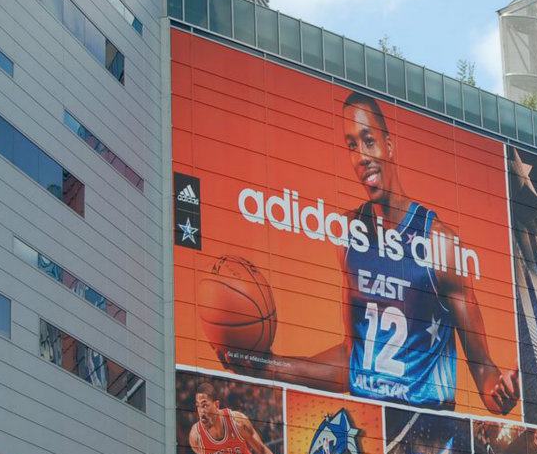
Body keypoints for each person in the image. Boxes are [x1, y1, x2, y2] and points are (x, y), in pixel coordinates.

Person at [221, 92, 518, 415]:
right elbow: (354, 362)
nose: (362, 156)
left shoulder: (439, 242)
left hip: (429, 432)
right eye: (352, 145)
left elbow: (484, 372)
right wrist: (268, 366)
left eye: (368, 141)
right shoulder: (349, 235)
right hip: (371, 427)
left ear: (389, 146)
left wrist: (500, 391)